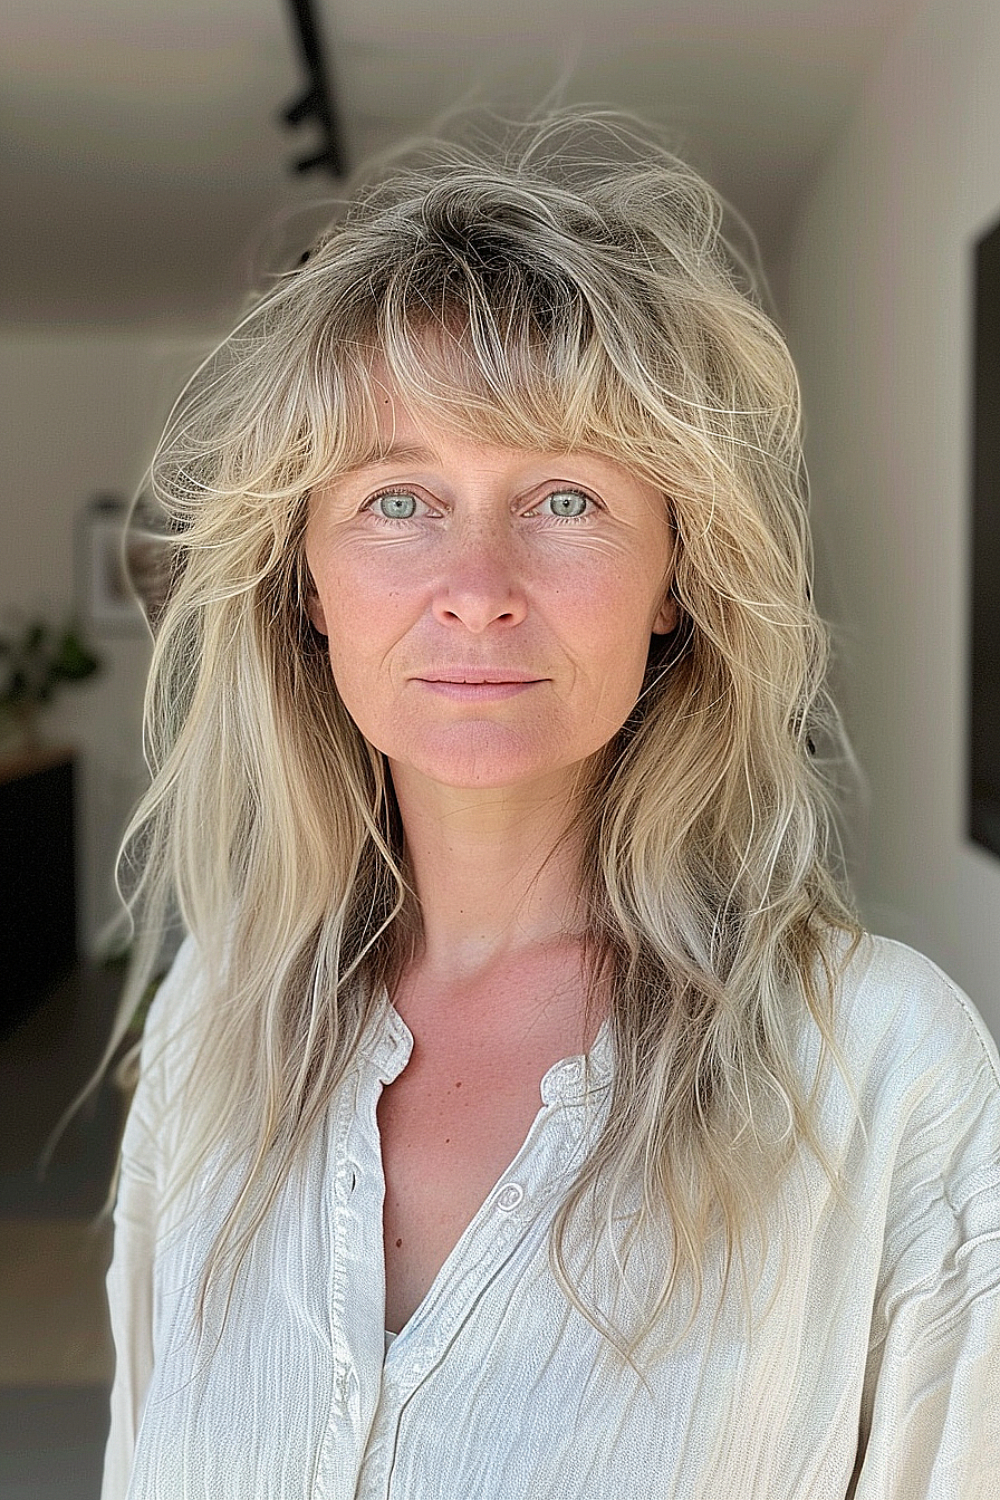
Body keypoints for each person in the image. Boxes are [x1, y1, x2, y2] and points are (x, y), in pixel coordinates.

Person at [90, 109, 999, 1497]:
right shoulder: (215, 1024)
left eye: (566, 497)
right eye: (399, 500)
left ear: (678, 580)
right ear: (306, 585)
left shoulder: (884, 1074)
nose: (477, 582)